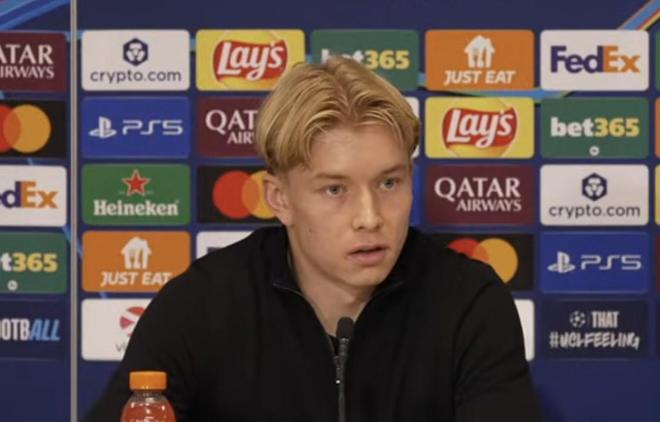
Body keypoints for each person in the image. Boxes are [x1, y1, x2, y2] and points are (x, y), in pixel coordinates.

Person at [86, 56, 540, 421]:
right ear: (279, 199)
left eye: (389, 183)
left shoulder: (468, 303)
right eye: (335, 190)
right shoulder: (200, 306)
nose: (369, 218)